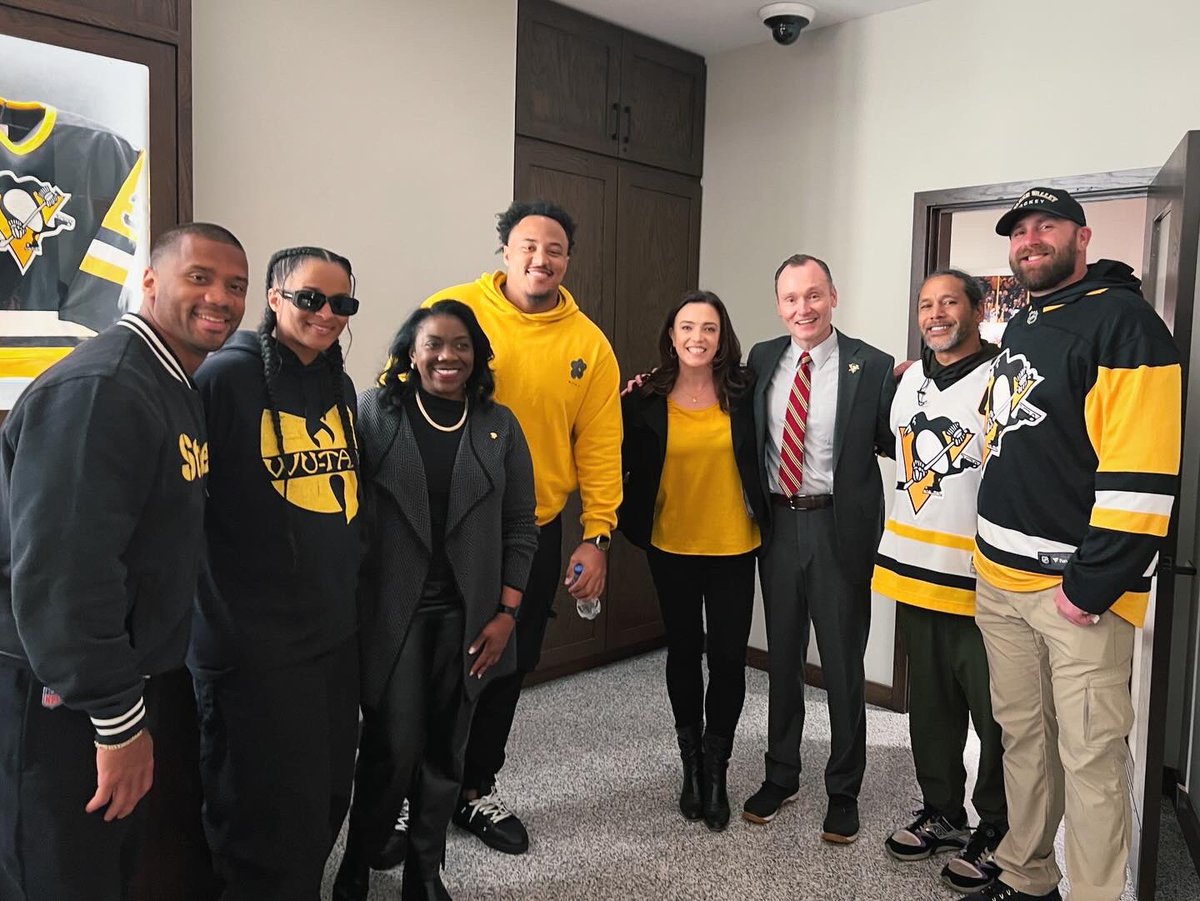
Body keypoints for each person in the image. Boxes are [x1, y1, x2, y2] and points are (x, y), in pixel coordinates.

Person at [0, 222, 248, 901]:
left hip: (127, 675)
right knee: (59, 871)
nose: (219, 298)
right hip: (63, 691)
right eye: (200, 276)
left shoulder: (171, 383)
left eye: (235, 286)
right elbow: (65, 575)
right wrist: (115, 718)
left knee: (109, 863)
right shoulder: (104, 387)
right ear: (148, 281)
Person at [968, 188, 1181, 901]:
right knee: (1023, 741)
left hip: (1073, 594)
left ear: (1081, 237)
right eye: (1019, 230)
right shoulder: (1030, 317)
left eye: (1046, 226)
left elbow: (1144, 476)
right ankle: (1030, 875)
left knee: (1089, 758)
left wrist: (1091, 585)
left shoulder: (1127, 324)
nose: (1030, 239)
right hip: (1000, 581)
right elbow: (1026, 432)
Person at [419, 200, 621, 854]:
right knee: (430, 660)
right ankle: (411, 794)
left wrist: (598, 532)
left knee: (507, 663)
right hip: (445, 522)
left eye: (555, 248)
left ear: (568, 259)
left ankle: (476, 788)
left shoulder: (587, 342)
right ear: (505, 251)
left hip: (531, 528)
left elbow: (599, 442)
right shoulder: (452, 310)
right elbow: (402, 394)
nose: (541, 258)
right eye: (529, 245)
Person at [334, 301, 538, 901]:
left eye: (461, 346)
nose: (448, 356)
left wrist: (506, 614)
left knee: (449, 746)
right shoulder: (376, 413)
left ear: (477, 357)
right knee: (391, 747)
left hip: (469, 616)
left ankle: (425, 870)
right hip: (393, 613)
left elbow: (521, 526)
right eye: (434, 344)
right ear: (411, 352)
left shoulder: (499, 425)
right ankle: (361, 857)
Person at [189, 246, 364, 900]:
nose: (326, 313)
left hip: (330, 635)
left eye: (341, 303)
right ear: (272, 296)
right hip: (254, 646)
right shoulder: (222, 381)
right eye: (310, 298)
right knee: (262, 819)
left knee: (325, 797)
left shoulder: (338, 384)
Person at [742, 253, 895, 844]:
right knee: (782, 657)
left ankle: (844, 788)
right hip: (778, 527)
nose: (801, 308)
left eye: (813, 295)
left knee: (841, 664)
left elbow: (899, 433)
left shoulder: (873, 366)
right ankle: (781, 774)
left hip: (839, 530)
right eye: (790, 298)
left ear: (834, 295)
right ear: (778, 304)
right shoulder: (761, 360)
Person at [871, 270, 1007, 893]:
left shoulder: (1005, 379)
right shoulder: (907, 383)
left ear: (977, 309)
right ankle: (944, 814)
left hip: (985, 582)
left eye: (949, 301)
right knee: (930, 712)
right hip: (914, 573)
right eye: (926, 304)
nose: (936, 314)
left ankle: (999, 830)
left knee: (996, 717)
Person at [618, 290, 766, 832]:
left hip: (734, 545)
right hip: (671, 546)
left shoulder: (749, 391)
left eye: (708, 328)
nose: (697, 338)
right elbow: (620, 461)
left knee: (727, 659)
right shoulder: (644, 397)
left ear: (722, 336)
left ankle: (718, 770)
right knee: (683, 653)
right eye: (687, 327)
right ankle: (691, 767)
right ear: (671, 335)